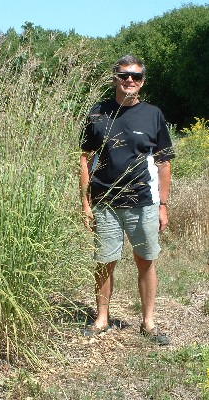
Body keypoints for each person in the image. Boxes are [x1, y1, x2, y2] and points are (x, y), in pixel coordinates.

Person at [79, 54, 175, 344]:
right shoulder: (97, 113)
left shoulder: (153, 114)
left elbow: (164, 163)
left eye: (135, 76)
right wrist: (85, 204)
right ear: (115, 79)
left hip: (143, 201)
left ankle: (148, 322)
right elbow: (84, 159)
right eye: (123, 76)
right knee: (105, 261)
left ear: (142, 82)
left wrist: (163, 204)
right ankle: (102, 318)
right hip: (104, 202)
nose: (129, 81)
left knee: (145, 260)